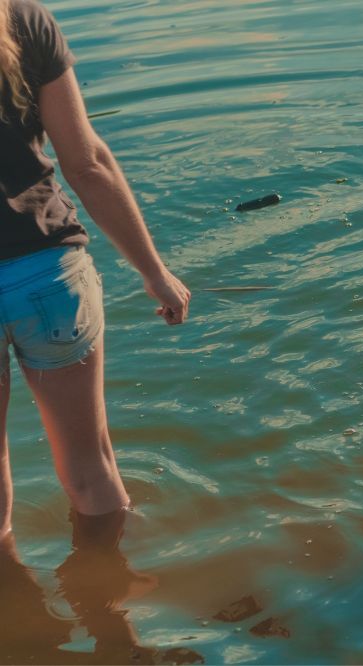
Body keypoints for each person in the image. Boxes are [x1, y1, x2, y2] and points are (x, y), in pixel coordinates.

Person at [0, 0, 190, 538]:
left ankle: (16, 617)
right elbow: (86, 163)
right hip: (50, 277)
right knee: (91, 471)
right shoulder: (24, 19)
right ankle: (111, 613)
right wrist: (154, 272)